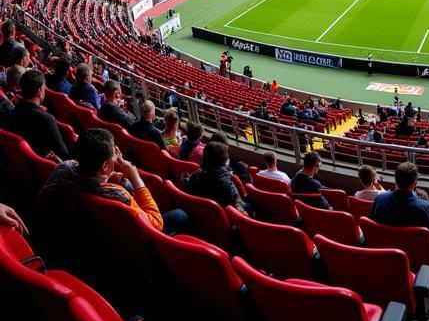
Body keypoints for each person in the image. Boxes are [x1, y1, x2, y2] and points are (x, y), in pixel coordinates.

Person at [40, 127, 185, 232]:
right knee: (180, 214)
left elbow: (43, 196)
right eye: (112, 158)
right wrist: (136, 178)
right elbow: (156, 224)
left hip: (79, 229)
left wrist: (110, 174)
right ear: (104, 165)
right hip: (133, 239)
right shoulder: (118, 194)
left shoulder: (63, 168)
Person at [369, 162, 429, 255]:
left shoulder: (379, 200)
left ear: (395, 180)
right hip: (420, 264)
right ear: (415, 183)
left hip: (384, 257)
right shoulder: (427, 207)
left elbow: (371, 227)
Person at [4, 68, 69, 160]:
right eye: (44, 87)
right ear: (39, 92)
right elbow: (64, 153)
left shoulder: (13, 109)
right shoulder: (46, 119)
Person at [185, 141, 247, 212]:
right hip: (223, 218)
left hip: (200, 214)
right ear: (224, 161)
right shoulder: (226, 183)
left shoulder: (194, 177)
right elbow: (238, 206)